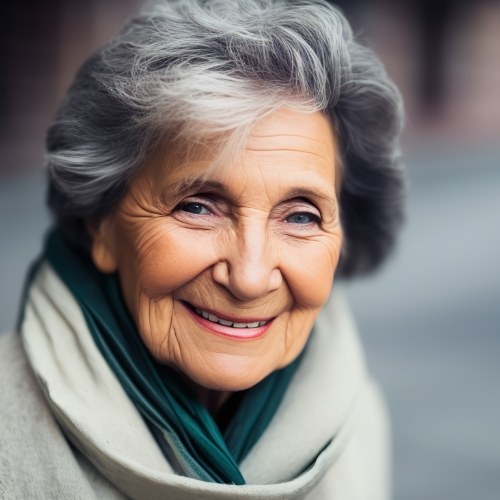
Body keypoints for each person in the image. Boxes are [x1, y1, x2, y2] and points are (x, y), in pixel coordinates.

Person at [0, 0, 404, 498]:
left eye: (300, 216)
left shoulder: (358, 416)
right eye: (198, 207)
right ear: (100, 225)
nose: (250, 277)